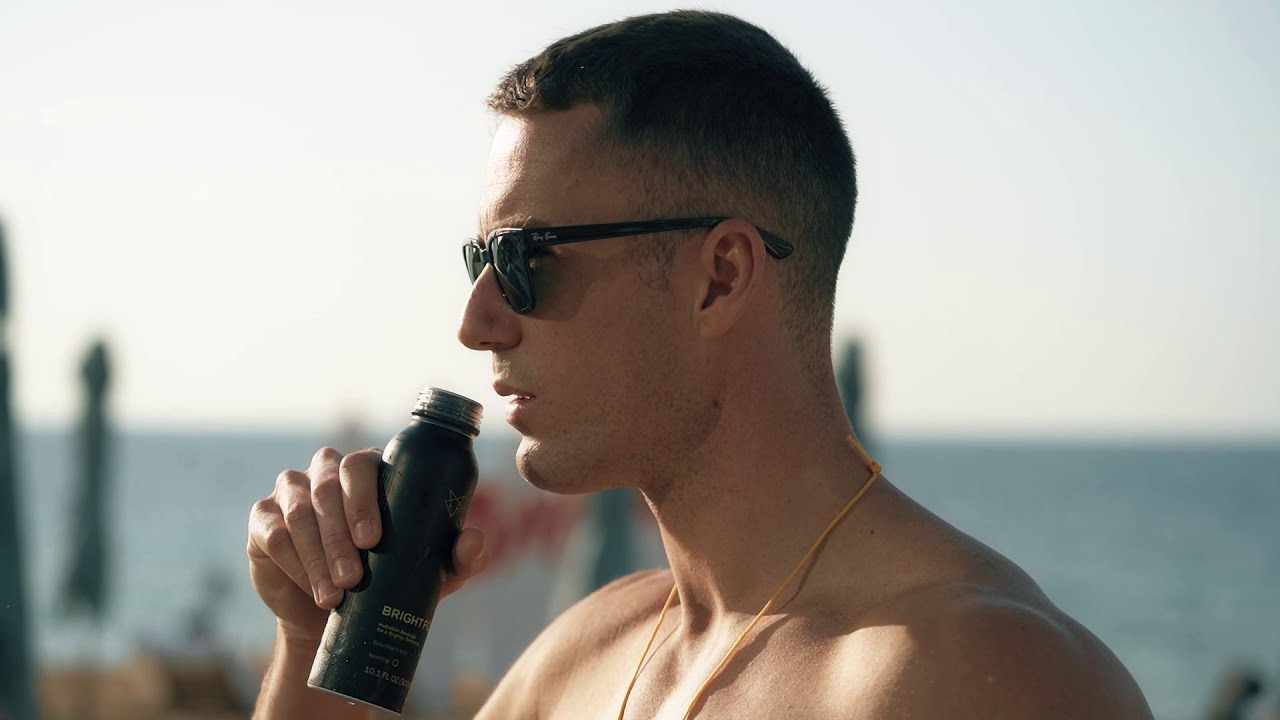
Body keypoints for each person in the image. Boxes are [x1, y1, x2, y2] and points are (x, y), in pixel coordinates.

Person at [246, 10, 1153, 719]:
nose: (476, 324)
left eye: (524, 259)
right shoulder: (586, 654)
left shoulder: (979, 677)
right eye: (478, 261)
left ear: (720, 277)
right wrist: (311, 635)